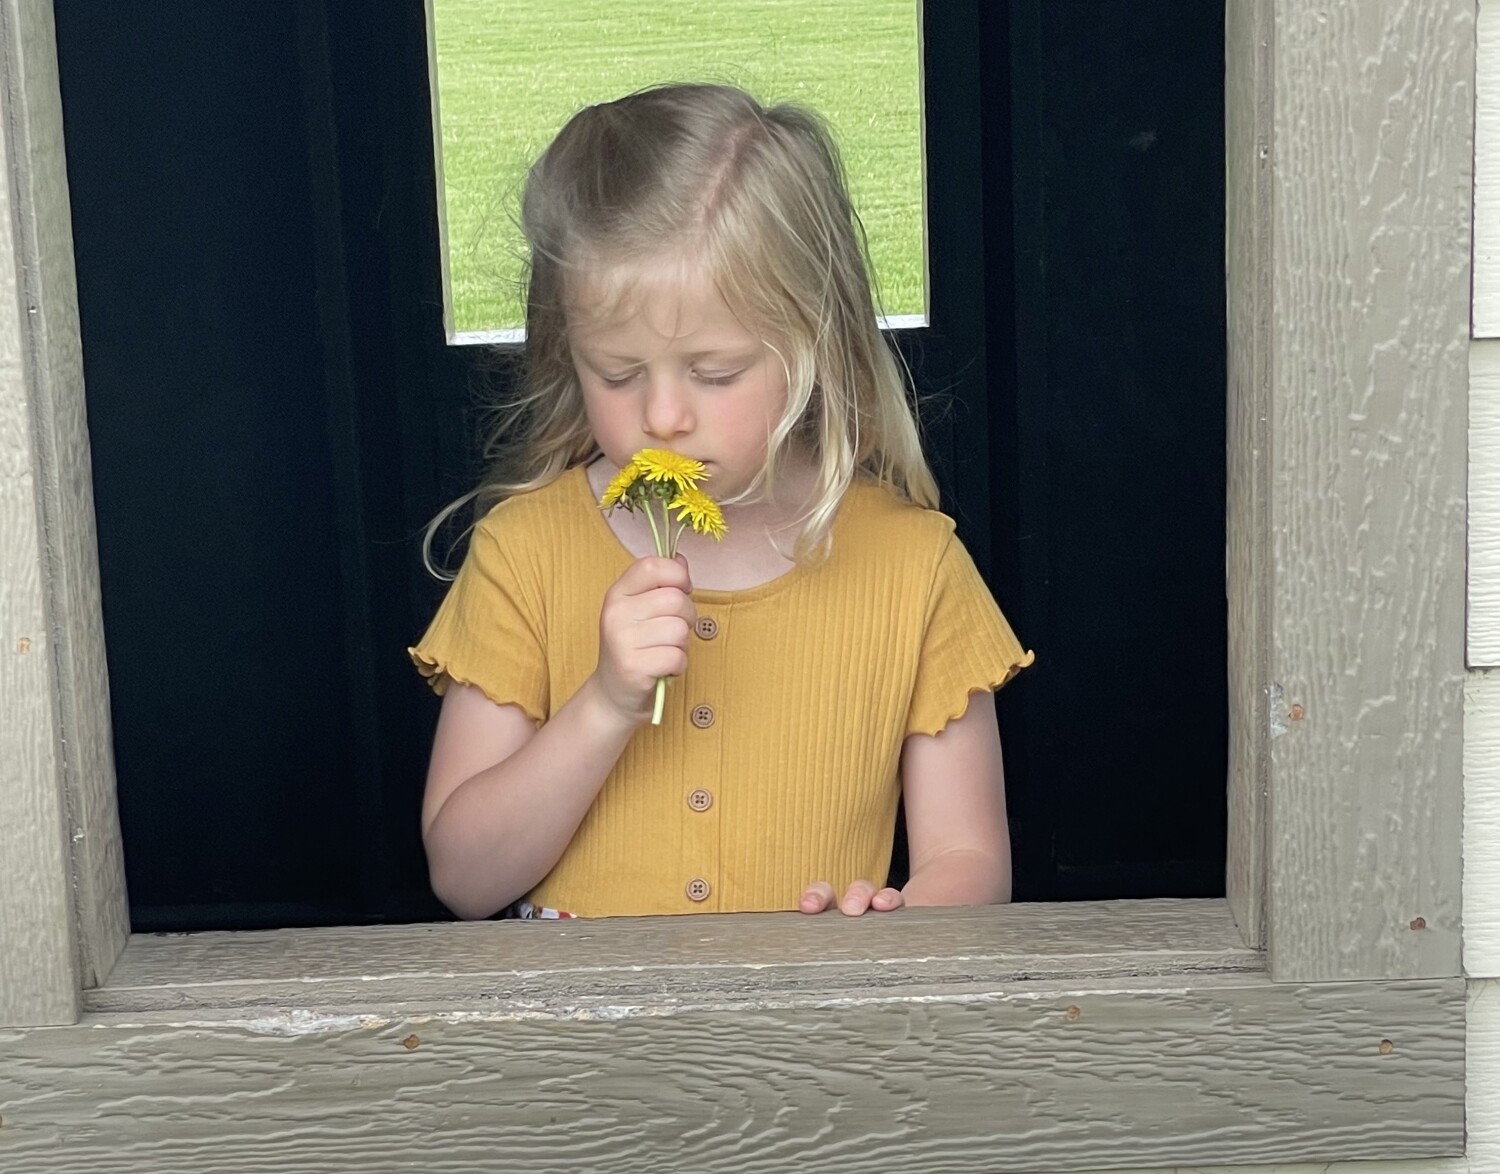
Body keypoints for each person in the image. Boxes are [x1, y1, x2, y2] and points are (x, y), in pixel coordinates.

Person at [410, 83, 1033, 921]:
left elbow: (970, 860)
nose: (663, 416)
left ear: (817, 342)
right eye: (618, 374)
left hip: (809, 1039)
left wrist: (892, 929)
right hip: (580, 1046)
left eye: (715, 373)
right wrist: (603, 704)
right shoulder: (526, 554)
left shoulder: (914, 567)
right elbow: (462, 878)